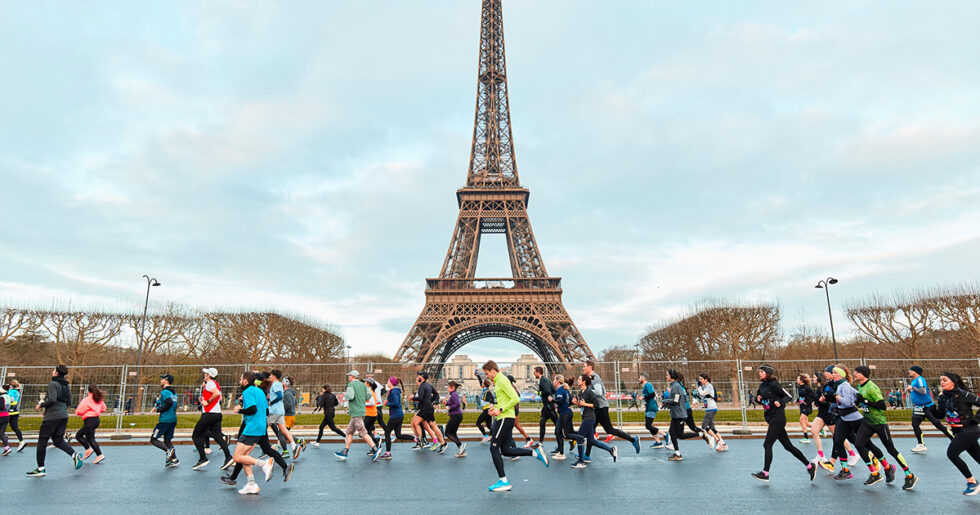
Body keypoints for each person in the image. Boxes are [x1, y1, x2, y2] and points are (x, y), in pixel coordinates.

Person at [483, 360, 548, 492]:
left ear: (493, 371)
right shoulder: (498, 381)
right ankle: (535, 453)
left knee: (493, 448)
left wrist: (500, 410)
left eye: (486, 373)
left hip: (505, 418)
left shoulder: (501, 380)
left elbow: (516, 398)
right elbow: (504, 400)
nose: (486, 376)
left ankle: (503, 481)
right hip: (505, 417)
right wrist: (494, 408)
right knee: (506, 450)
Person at [852, 365, 918, 490]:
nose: (854, 374)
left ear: (863, 374)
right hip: (867, 422)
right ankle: (875, 473)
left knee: (891, 449)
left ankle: (909, 475)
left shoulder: (872, 387)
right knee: (859, 444)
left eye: (856, 372)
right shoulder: (860, 386)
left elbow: (882, 406)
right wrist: (858, 402)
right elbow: (862, 402)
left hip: (879, 423)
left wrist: (865, 401)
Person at [229, 371, 294, 494]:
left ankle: (264, 464)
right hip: (260, 426)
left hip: (252, 428)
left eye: (241, 379)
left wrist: (240, 410)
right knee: (245, 456)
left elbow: (252, 409)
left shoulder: (247, 392)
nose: (239, 381)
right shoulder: (259, 391)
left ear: (246, 381)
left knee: (237, 457)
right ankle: (251, 484)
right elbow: (266, 410)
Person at [751, 365, 816, 482]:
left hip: (778, 418)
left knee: (767, 444)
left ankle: (765, 473)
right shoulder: (762, 386)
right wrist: (758, 399)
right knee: (788, 447)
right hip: (770, 417)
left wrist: (780, 402)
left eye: (761, 372)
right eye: (759, 372)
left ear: (767, 373)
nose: (759, 373)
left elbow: (788, 396)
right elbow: (758, 398)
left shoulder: (774, 385)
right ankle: (810, 466)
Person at [27, 364, 82, 477]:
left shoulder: (53, 384)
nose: (52, 372)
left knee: (42, 441)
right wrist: (50, 409)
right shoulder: (66, 385)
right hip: (63, 415)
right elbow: (68, 402)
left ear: (56, 373)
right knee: (57, 440)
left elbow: (52, 399)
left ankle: (40, 468)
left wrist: (41, 405)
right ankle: (74, 454)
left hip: (52, 417)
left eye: (53, 370)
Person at [830, 365, 883, 480]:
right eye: (832, 372)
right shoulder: (841, 385)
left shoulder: (844, 386)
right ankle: (845, 470)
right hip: (845, 418)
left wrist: (837, 397)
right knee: (838, 441)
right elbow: (856, 393)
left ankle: (879, 462)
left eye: (835, 373)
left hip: (854, 418)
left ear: (841, 375)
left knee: (865, 443)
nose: (833, 374)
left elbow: (848, 403)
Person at [582, 361, 640, 457]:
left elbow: (599, 392)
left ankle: (634, 440)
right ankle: (586, 455)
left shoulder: (594, 378)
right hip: (598, 407)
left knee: (609, 430)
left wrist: (587, 391)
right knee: (590, 430)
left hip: (601, 407)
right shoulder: (591, 378)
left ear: (590, 367)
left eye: (584, 366)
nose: (583, 368)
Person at [935, 371, 980, 495]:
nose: (941, 382)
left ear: (953, 382)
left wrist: (975, 420)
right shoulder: (943, 397)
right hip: (958, 431)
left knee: (952, 453)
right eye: (941, 380)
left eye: (945, 380)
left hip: (969, 430)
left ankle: (972, 482)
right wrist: (929, 408)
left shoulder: (964, 395)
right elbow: (940, 415)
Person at [568, 374, 618, 469]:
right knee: (591, 440)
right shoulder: (581, 393)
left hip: (589, 418)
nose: (577, 380)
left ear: (584, 381)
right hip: (585, 417)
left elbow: (597, 404)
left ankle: (581, 462)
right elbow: (582, 406)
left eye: (579, 379)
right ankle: (611, 450)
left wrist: (585, 404)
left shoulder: (589, 392)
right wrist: (577, 404)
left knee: (579, 438)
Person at [334, 370, 383, 462]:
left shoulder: (351, 385)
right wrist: (360, 400)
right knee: (349, 432)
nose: (348, 378)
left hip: (355, 412)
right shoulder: (363, 385)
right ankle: (345, 452)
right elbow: (368, 396)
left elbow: (350, 396)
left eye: (349, 376)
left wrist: (345, 397)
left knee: (363, 433)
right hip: (359, 411)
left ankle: (375, 449)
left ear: (352, 376)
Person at [191, 367, 234, 471]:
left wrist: (207, 402)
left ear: (208, 375)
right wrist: (204, 401)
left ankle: (203, 458)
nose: (204, 375)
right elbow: (218, 396)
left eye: (205, 373)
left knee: (196, 435)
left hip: (209, 414)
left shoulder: (210, 383)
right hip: (217, 414)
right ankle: (228, 457)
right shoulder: (215, 384)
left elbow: (217, 394)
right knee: (217, 436)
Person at [907, 365, 954, 452]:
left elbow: (923, 391)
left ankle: (953, 438)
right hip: (918, 407)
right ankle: (921, 444)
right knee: (915, 424)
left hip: (927, 406)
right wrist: (911, 391)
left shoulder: (920, 379)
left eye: (911, 370)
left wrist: (912, 388)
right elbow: (917, 392)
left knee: (937, 424)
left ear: (916, 372)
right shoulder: (914, 381)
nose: (909, 372)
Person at [662, 369, 703, 461]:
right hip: (675, 414)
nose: (666, 376)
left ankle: (699, 433)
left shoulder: (676, 386)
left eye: (667, 375)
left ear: (672, 376)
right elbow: (674, 399)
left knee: (680, 435)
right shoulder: (674, 386)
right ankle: (677, 454)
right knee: (672, 433)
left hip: (679, 415)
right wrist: (667, 403)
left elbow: (676, 401)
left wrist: (665, 401)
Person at [267, 370, 301, 460]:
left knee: (262, 428)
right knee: (284, 432)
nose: (270, 376)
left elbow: (280, 397)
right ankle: (294, 446)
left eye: (271, 375)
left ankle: (267, 447)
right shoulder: (283, 389)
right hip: (281, 412)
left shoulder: (277, 385)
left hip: (276, 412)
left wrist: (271, 402)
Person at [380, 377, 415, 459]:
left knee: (387, 432)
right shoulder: (394, 391)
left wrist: (387, 403)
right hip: (399, 415)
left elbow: (396, 403)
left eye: (388, 381)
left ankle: (388, 453)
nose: (387, 382)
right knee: (398, 435)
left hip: (395, 415)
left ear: (392, 383)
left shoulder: (394, 392)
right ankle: (416, 439)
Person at [410, 371, 445, 452]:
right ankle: (438, 442)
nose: (417, 378)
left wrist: (413, 398)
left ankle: (422, 441)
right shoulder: (428, 385)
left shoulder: (422, 386)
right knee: (430, 426)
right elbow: (436, 394)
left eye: (418, 376)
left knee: (415, 424)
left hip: (424, 408)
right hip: (427, 408)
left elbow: (421, 398)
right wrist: (430, 401)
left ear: (421, 377)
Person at [150, 374, 180, 467]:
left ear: (166, 381)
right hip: (173, 419)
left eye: (162, 379)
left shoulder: (165, 392)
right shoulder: (174, 393)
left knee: (153, 439)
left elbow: (169, 403)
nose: (161, 380)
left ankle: (168, 451)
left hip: (165, 420)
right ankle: (174, 459)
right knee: (167, 440)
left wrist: (158, 410)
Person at [74, 384, 107, 464]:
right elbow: (104, 408)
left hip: (89, 420)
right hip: (96, 419)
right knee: (79, 435)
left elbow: (80, 410)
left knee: (89, 438)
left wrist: (77, 412)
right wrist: (96, 411)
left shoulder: (87, 400)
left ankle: (99, 454)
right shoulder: (99, 399)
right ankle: (88, 449)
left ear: (88, 391)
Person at [697, 374, 726, 451]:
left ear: (706, 379)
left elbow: (702, 393)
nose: (700, 381)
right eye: (699, 379)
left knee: (704, 426)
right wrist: (698, 397)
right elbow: (704, 397)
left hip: (711, 409)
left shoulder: (709, 386)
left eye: (701, 379)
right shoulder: (705, 387)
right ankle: (722, 443)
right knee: (712, 428)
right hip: (709, 409)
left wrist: (699, 388)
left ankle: (717, 440)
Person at [638, 374, 666, 449]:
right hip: (649, 407)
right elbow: (649, 396)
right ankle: (658, 442)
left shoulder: (647, 385)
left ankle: (665, 435)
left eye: (640, 378)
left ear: (643, 378)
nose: (639, 379)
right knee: (648, 426)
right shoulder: (645, 386)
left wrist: (643, 397)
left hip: (652, 407)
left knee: (648, 425)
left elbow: (652, 394)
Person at [534, 366, 558, 451]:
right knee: (542, 422)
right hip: (546, 406)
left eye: (534, 372)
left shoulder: (543, 381)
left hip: (548, 406)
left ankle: (569, 438)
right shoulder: (547, 380)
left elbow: (547, 391)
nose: (534, 374)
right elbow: (554, 390)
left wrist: (540, 392)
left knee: (557, 423)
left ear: (538, 372)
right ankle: (540, 442)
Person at [551, 374, 573, 460]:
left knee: (564, 434)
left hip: (564, 413)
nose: (553, 381)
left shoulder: (560, 390)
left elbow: (559, 400)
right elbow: (570, 400)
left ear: (557, 381)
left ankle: (582, 437)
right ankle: (561, 452)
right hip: (565, 412)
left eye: (554, 380)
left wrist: (552, 400)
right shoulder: (565, 389)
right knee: (559, 432)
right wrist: (567, 405)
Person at [442, 381, 466, 457]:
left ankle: (461, 446)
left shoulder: (454, 394)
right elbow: (452, 403)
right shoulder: (452, 394)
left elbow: (458, 404)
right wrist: (446, 403)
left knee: (447, 433)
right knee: (453, 433)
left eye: (449, 387)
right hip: (456, 416)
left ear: (453, 388)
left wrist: (449, 407)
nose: (448, 389)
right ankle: (461, 449)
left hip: (456, 416)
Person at [5, 379, 25, 452]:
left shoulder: (9, 392)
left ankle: (5, 441)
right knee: (15, 427)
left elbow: (11, 402)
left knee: (2, 427)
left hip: (9, 413)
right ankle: (21, 441)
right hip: (15, 412)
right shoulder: (17, 392)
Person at [796, 374, 817, 444]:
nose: (797, 380)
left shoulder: (807, 387)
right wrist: (797, 400)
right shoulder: (799, 387)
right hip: (802, 406)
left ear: (801, 380)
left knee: (801, 421)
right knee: (806, 423)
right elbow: (802, 396)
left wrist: (807, 402)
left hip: (807, 407)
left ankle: (806, 437)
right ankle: (819, 428)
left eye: (798, 379)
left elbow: (814, 396)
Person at [476, 379, 495, 445]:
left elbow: (492, 399)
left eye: (483, 383)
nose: (481, 384)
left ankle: (485, 436)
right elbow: (481, 382)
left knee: (478, 423)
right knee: (489, 425)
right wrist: (478, 376)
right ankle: (496, 436)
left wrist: (490, 403)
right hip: (485, 409)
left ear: (484, 385)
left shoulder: (487, 392)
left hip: (487, 410)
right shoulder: (484, 390)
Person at [0, 385, 10, 456]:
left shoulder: (1, 397)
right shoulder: (6, 397)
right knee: (1, 433)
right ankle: (7, 447)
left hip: (1, 416)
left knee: (1, 433)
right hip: (6, 415)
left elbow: (1, 407)